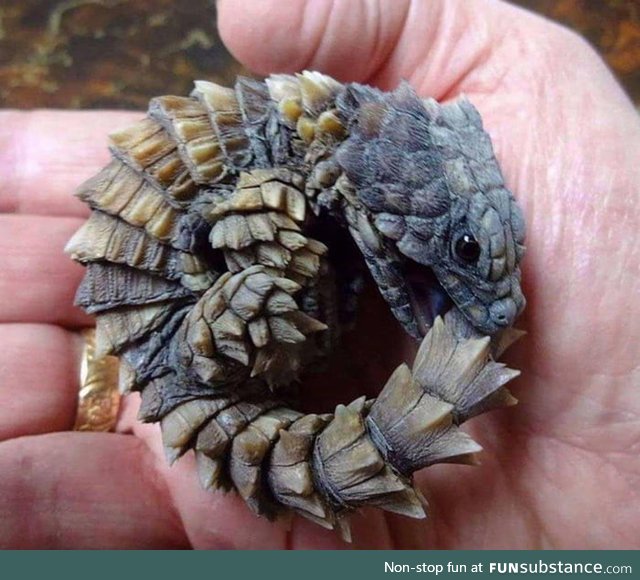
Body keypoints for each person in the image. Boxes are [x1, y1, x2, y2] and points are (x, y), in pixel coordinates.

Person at [0, 0, 638, 549]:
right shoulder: (307, 168)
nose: (497, 314)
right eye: (463, 249)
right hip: (181, 327)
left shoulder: (348, 157)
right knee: (268, 222)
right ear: (379, 179)